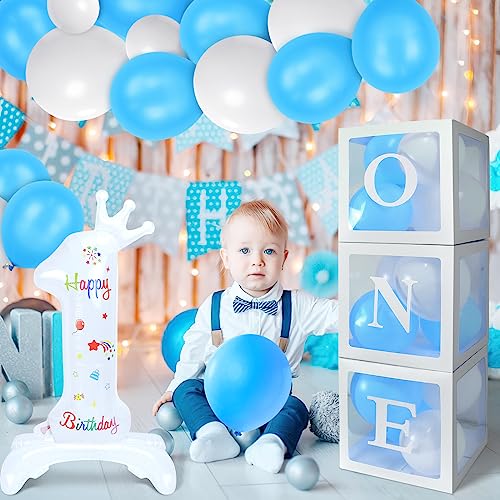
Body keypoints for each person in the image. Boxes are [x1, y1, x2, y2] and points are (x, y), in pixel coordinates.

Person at [152, 200, 338, 473]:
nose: (257, 260)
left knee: (296, 407)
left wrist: (367, 310)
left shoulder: (298, 306)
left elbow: (336, 314)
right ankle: (212, 433)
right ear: (226, 258)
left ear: (284, 258)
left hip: (269, 404)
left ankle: (272, 443)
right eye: (244, 250)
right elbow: (192, 351)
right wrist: (173, 387)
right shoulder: (214, 305)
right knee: (186, 389)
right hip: (218, 401)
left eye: (269, 251)